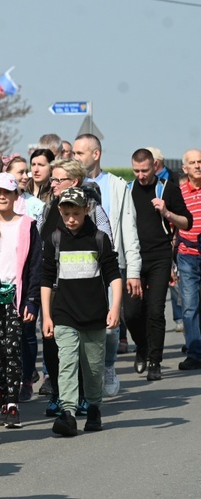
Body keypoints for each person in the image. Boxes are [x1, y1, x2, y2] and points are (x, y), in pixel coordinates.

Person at [41, 187, 122, 437]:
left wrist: (115, 308)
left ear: (87, 210)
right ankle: (68, 414)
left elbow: (113, 275)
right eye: (66, 214)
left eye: (76, 213)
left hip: (95, 314)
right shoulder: (54, 239)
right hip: (64, 313)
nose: (71, 219)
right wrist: (47, 315)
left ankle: (94, 407)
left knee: (93, 367)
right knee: (67, 362)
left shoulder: (98, 238)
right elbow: (46, 278)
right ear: (59, 212)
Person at [36, 159, 115, 408]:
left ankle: (83, 397)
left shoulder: (94, 210)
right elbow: (38, 238)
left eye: (59, 179)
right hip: (57, 290)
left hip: (86, 291)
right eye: (54, 179)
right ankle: (60, 396)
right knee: (56, 346)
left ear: (75, 182)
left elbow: (106, 246)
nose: (54, 184)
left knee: (85, 351)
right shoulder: (49, 208)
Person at [73, 134, 142, 395]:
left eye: (80, 153)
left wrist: (133, 270)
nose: (75, 157)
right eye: (74, 153)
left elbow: (129, 229)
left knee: (111, 325)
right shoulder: (73, 185)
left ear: (96, 154)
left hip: (110, 265)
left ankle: (109, 367)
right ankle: (84, 376)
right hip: (78, 266)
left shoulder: (117, 186)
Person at [124, 149, 191, 381]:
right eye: (136, 170)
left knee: (155, 311)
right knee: (131, 313)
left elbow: (187, 222)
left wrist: (166, 212)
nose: (141, 175)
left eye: (145, 170)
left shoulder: (168, 189)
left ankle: (155, 360)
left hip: (160, 256)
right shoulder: (128, 190)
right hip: (134, 257)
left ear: (155, 166)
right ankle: (142, 347)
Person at [0, 173, 41, 428]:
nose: (2, 197)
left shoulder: (28, 224)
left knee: (13, 349)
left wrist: (32, 300)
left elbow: (36, 266)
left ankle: (13, 404)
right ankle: (5, 398)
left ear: (16, 195)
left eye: (6, 192)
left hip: (17, 296)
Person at [175, 148, 201, 371]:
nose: (197, 166)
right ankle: (194, 352)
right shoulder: (180, 192)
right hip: (187, 254)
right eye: (192, 162)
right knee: (190, 307)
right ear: (185, 168)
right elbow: (173, 226)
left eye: (200, 161)